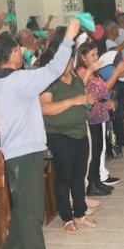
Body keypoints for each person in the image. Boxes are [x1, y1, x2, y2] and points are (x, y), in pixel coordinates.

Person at [0, 20, 82, 249]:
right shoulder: (17, 81)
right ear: (10, 55)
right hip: (26, 150)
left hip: (15, 149)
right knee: (31, 208)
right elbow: (53, 69)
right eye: (18, 49)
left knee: (24, 206)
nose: (21, 52)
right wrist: (68, 39)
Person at [39, 39, 97, 234]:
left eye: (70, 60)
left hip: (80, 132)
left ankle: (80, 213)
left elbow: (84, 97)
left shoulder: (75, 78)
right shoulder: (49, 82)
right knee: (64, 178)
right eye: (65, 61)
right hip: (60, 136)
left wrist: (88, 99)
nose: (69, 64)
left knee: (79, 176)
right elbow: (45, 108)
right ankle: (66, 218)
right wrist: (74, 100)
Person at [76, 42, 124, 196]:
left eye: (97, 54)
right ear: (82, 57)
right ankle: (92, 183)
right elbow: (93, 88)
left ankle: (97, 180)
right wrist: (117, 72)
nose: (96, 58)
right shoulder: (82, 71)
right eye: (92, 55)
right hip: (91, 116)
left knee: (99, 148)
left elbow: (102, 92)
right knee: (95, 149)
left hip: (99, 113)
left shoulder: (94, 72)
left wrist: (107, 100)